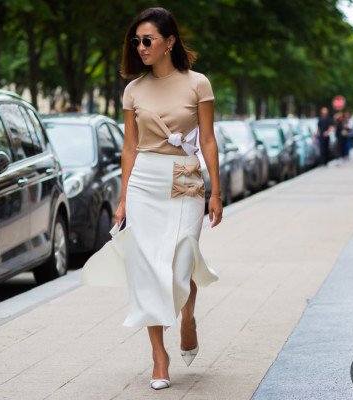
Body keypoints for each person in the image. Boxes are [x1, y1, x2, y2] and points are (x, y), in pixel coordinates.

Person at [117, 7, 222, 390]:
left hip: (186, 177)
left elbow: (208, 140)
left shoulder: (198, 84)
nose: (141, 47)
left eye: (148, 40)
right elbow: (130, 147)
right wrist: (124, 196)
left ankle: (188, 314)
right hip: (145, 179)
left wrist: (217, 192)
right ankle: (159, 358)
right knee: (148, 269)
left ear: (169, 42)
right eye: (137, 41)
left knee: (181, 260)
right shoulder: (133, 90)